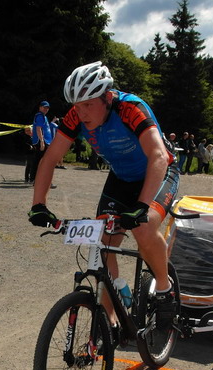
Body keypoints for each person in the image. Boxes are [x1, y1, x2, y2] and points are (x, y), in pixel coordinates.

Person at [28, 61, 179, 330]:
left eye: (88, 104)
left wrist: (142, 205)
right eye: (77, 106)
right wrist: (38, 204)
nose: (82, 113)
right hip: (121, 178)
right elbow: (50, 159)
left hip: (158, 171)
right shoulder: (76, 116)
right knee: (103, 240)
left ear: (107, 97)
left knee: (144, 228)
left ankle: (165, 290)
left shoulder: (130, 108)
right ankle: (109, 323)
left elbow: (158, 156)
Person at [28, 100, 52, 183]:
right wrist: (42, 141)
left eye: (47, 108)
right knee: (42, 161)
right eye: (44, 107)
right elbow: (38, 129)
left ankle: (34, 178)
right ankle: (38, 180)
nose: (46, 109)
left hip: (45, 141)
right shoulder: (40, 116)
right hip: (41, 141)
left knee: (38, 160)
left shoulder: (43, 116)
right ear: (40, 108)